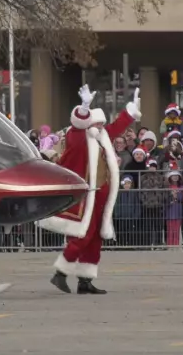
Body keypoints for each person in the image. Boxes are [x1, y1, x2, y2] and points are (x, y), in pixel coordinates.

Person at [38, 84, 142, 294]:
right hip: (85, 195)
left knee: (95, 238)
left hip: (100, 194)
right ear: (88, 123)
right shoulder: (79, 138)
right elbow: (76, 127)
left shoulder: (101, 137)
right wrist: (84, 107)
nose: (102, 126)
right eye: (97, 123)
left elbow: (116, 126)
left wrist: (130, 111)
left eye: (103, 123)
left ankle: (85, 280)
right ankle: (60, 274)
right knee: (82, 235)